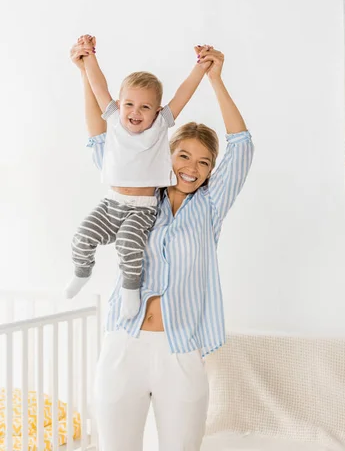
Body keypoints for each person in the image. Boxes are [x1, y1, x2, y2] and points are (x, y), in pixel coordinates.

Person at [70, 38, 254, 450]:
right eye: (184, 156)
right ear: (165, 154)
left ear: (210, 172)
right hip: (124, 343)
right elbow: (101, 138)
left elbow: (242, 146)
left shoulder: (210, 209)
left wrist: (215, 80)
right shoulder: (133, 193)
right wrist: (85, 71)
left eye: (204, 162)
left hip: (181, 349)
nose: (192, 168)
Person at [66, 35, 209, 319]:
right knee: (82, 236)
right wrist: (89, 56)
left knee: (129, 245)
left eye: (145, 107)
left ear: (157, 110)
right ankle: (82, 272)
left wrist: (200, 68)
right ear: (119, 104)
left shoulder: (160, 126)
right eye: (129, 104)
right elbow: (98, 86)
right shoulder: (114, 120)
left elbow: (182, 94)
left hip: (142, 208)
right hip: (111, 204)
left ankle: (131, 290)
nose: (135, 112)